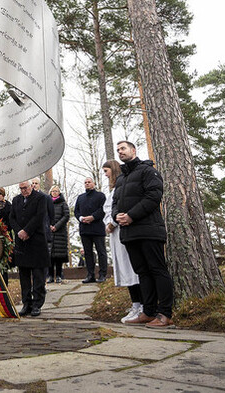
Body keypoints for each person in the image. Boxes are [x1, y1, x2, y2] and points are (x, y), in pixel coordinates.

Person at [113, 140, 175, 328]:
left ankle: (165, 313)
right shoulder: (121, 179)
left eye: (123, 148)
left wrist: (131, 215)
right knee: (142, 272)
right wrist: (117, 216)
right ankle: (148, 312)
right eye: (118, 150)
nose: (120, 152)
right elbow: (115, 202)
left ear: (133, 150)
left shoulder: (148, 171)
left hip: (149, 230)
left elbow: (154, 196)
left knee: (157, 270)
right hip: (129, 233)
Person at [102, 160, 144, 323]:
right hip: (115, 234)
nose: (105, 175)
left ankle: (140, 305)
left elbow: (121, 207)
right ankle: (135, 303)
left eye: (107, 171)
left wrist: (113, 222)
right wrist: (108, 223)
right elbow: (108, 209)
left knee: (131, 269)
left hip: (124, 230)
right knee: (125, 270)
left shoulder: (123, 186)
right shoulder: (112, 190)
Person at [9, 180, 48, 316]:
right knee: (24, 275)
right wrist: (19, 231)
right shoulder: (16, 200)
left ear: (31, 186)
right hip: (21, 242)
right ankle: (27, 303)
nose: (23, 191)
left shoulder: (40, 198)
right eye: (21, 188)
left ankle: (37, 303)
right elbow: (12, 218)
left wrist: (27, 231)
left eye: (25, 188)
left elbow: (40, 216)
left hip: (36, 240)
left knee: (38, 275)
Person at [75, 176, 108, 283]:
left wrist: (92, 217)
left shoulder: (100, 196)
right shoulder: (80, 197)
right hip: (84, 229)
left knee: (101, 252)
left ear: (93, 183)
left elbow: (103, 210)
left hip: (97, 228)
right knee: (88, 253)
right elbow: (76, 211)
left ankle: (103, 274)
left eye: (89, 182)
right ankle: (90, 275)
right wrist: (81, 218)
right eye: (85, 182)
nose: (87, 184)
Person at [47, 185, 70, 283]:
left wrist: (56, 226)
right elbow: (44, 215)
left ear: (59, 193)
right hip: (49, 232)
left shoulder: (63, 203)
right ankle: (51, 276)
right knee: (50, 256)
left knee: (59, 256)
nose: (54, 192)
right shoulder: (47, 203)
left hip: (60, 233)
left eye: (56, 191)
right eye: (53, 191)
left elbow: (66, 216)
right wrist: (49, 226)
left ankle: (59, 275)